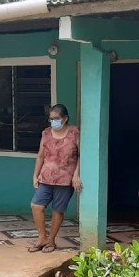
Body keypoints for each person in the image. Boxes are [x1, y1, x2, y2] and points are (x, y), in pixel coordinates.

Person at [29, 104, 82, 253]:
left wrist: (76, 174)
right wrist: (35, 175)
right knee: (36, 206)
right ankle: (42, 237)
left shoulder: (74, 133)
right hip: (46, 177)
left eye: (57, 119)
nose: (54, 122)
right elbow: (41, 155)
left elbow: (81, 155)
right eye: (51, 119)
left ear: (65, 119)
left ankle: (51, 241)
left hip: (65, 179)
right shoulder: (46, 133)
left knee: (58, 210)